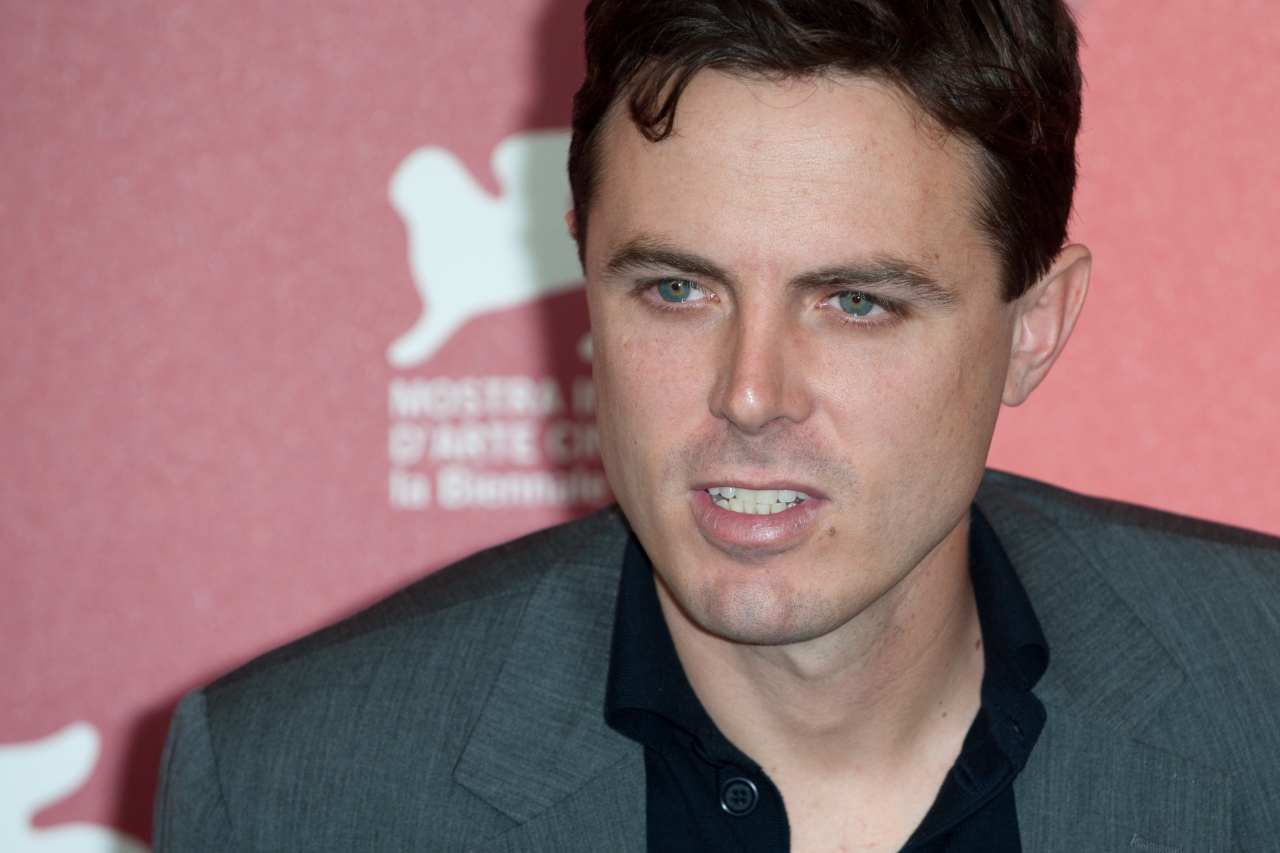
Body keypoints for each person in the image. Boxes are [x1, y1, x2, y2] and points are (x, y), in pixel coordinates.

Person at [153, 1, 1280, 851]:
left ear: (1032, 327)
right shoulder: (290, 786)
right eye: (677, 290)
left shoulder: (1260, 698)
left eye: (855, 302)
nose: (749, 394)